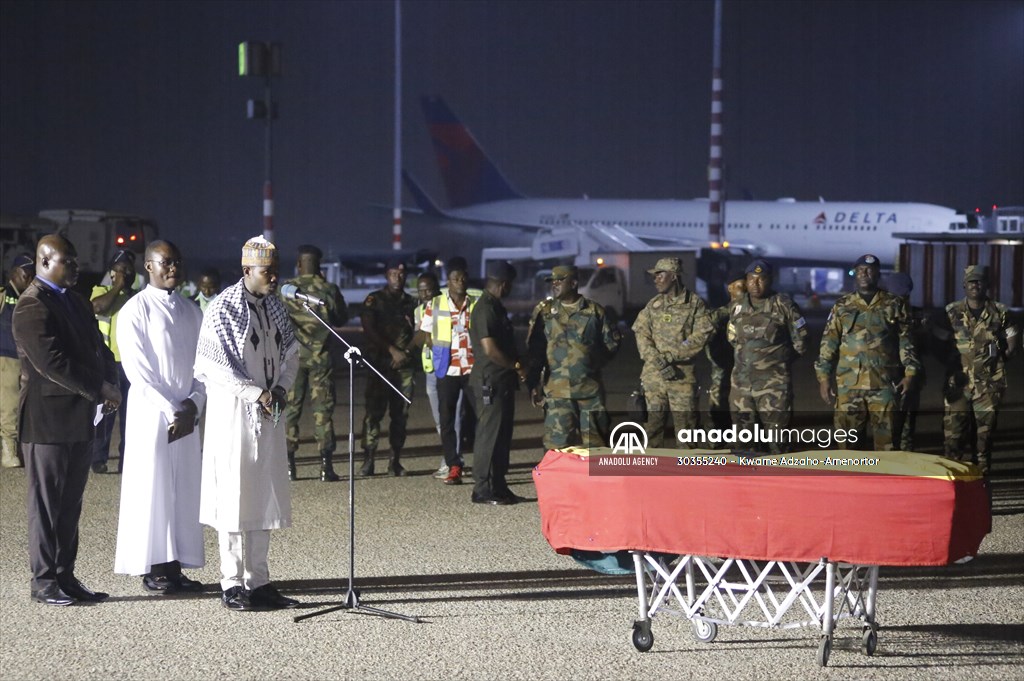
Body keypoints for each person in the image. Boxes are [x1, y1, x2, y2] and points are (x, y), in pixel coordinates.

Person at [13, 235, 121, 606]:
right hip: (47, 421)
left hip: (78, 419)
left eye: (75, 260)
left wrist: (109, 379)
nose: (75, 267)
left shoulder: (74, 301)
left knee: (70, 505)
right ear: (44, 261)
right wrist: (100, 388)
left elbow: (99, 347)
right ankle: (43, 582)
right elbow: (51, 363)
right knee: (45, 505)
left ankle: (65, 576)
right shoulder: (31, 306)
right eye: (67, 261)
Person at [194, 236, 300, 612]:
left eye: (275, 270)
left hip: (269, 416)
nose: (273, 278)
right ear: (246, 271)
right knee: (234, 498)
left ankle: (260, 580)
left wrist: (282, 389)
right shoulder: (223, 308)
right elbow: (212, 366)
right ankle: (232, 582)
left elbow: (291, 354)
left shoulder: (275, 308)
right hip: (234, 416)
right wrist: (257, 393)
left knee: (261, 495)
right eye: (266, 272)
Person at [113, 240, 206, 593]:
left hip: (186, 414)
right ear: (148, 267)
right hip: (153, 413)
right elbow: (139, 372)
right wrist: (173, 408)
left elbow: (203, 366)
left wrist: (194, 403)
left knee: (182, 489)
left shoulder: (191, 311)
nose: (173, 268)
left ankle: (175, 565)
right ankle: (152, 567)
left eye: (177, 262)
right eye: (165, 262)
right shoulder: (135, 310)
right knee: (152, 488)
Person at [815, 254, 920, 450]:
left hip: (884, 385)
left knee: (887, 445)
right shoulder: (842, 306)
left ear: (878, 273)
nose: (865, 274)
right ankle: (852, 481)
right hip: (849, 387)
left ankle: (883, 480)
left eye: (870, 270)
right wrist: (823, 377)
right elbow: (828, 342)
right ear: (855, 273)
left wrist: (910, 373)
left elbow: (906, 341)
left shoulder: (894, 304)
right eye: (861, 270)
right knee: (848, 447)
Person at [526, 265, 620, 450]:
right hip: (557, 393)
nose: (555, 284)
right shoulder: (544, 313)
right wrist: (533, 382)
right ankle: (559, 481)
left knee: (596, 447)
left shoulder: (594, 312)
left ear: (574, 283)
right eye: (553, 281)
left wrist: (591, 362)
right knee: (557, 448)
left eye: (560, 280)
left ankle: (594, 480)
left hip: (589, 392)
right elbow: (535, 349)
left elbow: (612, 343)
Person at [937, 265, 1019, 476]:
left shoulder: (1000, 311)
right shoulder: (951, 311)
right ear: (964, 284)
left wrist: (1007, 352)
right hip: (959, 383)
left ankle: (981, 485)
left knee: (984, 438)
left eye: (979, 281)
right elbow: (938, 339)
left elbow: (1012, 332)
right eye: (971, 281)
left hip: (989, 384)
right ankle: (952, 485)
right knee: (953, 437)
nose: (975, 285)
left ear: (987, 285)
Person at [281, 244, 348, 482]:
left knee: (290, 410)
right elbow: (341, 319)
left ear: (299, 264)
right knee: (323, 411)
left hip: (293, 359)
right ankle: (325, 466)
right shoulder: (328, 289)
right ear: (319, 266)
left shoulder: (287, 290)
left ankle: (289, 465)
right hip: (321, 359)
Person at [632, 257, 714, 448]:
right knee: (652, 430)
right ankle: (653, 473)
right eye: (655, 275)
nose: (656, 279)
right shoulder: (653, 305)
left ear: (674, 276)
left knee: (686, 433)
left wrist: (670, 357)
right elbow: (641, 334)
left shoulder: (695, 304)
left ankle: (687, 475)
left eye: (660, 275)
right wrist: (657, 361)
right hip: (654, 378)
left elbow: (700, 336)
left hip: (682, 380)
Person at [727, 259, 807, 453]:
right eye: (751, 279)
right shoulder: (736, 308)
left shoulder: (784, 305)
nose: (755, 284)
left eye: (761, 279)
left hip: (774, 388)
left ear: (770, 280)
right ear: (746, 281)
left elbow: (802, 342)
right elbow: (732, 339)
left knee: (778, 445)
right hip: (741, 386)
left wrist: (777, 363)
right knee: (744, 444)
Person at [469, 260, 528, 505]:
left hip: (500, 382)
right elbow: (490, 349)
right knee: (489, 435)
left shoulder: (495, 306)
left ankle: (499, 485)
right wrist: (517, 366)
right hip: (490, 381)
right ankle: (482, 488)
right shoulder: (485, 308)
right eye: (510, 285)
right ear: (503, 284)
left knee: (502, 436)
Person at [417, 260, 480, 485]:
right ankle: (454, 465)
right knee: (447, 420)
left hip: (473, 368)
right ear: (448, 282)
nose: (460, 283)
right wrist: (438, 350)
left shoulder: (476, 303)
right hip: (448, 368)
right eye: (455, 279)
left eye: (463, 278)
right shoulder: (435, 304)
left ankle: (483, 464)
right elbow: (426, 333)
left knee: (481, 418)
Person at [359, 260, 417, 477]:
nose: (398, 278)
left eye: (401, 274)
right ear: (387, 275)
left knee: (400, 414)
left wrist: (405, 354)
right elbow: (368, 328)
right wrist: (391, 350)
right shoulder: (375, 300)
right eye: (394, 273)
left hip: (403, 366)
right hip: (379, 364)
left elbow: (420, 331)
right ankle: (369, 458)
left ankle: (395, 460)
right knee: (373, 413)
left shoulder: (411, 302)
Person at [89, 249, 138, 473]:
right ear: (111, 273)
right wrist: (117, 286)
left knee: (131, 416)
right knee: (105, 413)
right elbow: (97, 307)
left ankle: (126, 460)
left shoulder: (138, 297)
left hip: (131, 364)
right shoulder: (101, 291)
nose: (125, 274)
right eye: (120, 270)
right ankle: (98, 458)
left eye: (129, 270)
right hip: (107, 364)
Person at [884, 272, 928, 451]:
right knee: (890, 425)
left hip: (909, 376)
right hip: (888, 375)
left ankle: (902, 460)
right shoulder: (884, 314)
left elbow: (926, 345)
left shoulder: (917, 315)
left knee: (906, 424)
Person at [1, 254, 34, 468]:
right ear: (14, 272)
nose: (29, 280)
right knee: (9, 406)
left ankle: (15, 449)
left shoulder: (30, 298)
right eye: (25, 275)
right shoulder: (5, 296)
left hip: (23, 360)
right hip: (7, 358)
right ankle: (8, 452)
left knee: (19, 407)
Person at [705, 271, 745, 431]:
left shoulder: (756, 313)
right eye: (740, 287)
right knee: (719, 406)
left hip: (746, 371)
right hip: (723, 369)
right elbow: (705, 333)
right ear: (730, 288)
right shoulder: (721, 314)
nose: (744, 291)